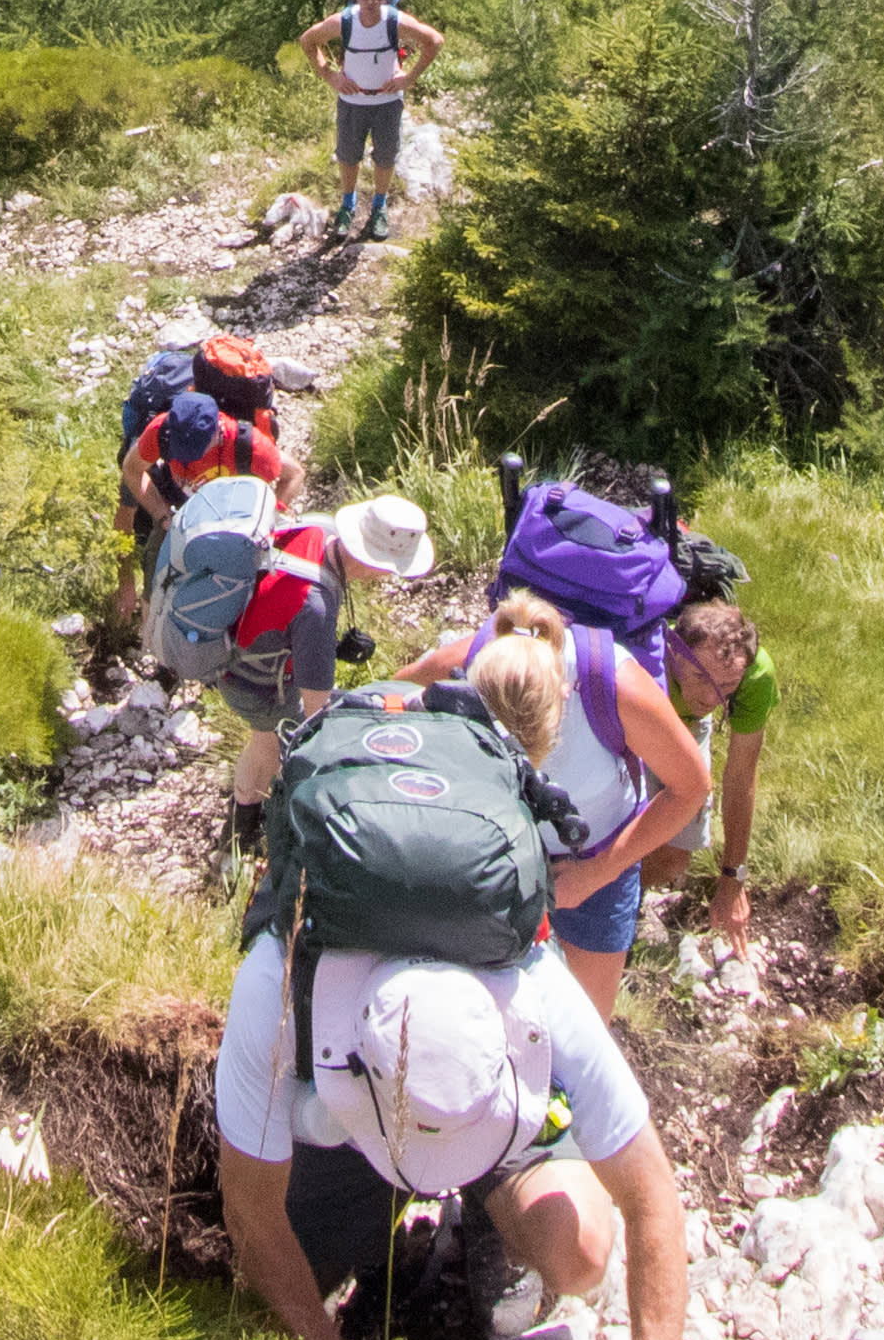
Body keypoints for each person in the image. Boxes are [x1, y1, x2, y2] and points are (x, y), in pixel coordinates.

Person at [213, 925, 699, 1340]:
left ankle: (487, 1224)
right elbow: (251, 1215)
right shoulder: (276, 983)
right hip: (353, 1135)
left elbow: (652, 1191)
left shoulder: (536, 983)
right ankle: (377, 1236)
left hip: (485, 1115)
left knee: (580, 1252)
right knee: (268, 1306)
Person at [413, 591, 710, 1026]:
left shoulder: (616, 686)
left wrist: (599, 872)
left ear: (565, 695)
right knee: (478, 1019)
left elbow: (691, 787)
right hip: (488, 856)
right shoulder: (456, 669)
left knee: (584, 1026)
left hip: (597, 858)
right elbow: (382, 707)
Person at [204, 493, 438, 812]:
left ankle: (245, 817)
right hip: (252, 683)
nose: (388, 576)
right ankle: (241, 830)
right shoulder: (317, 606)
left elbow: (283, 608)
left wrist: (330, 650)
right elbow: (316, 710)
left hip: (237, 648)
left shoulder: (321, 530)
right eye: (391, 568)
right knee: (266, 748)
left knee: (265, 743)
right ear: (373, 561)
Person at [632, 596, 774, 944]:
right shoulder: (646, 652)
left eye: (727, 686)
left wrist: (732, 880)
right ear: (674, 652)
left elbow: (741, 779)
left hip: (688, 725)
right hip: (635, 708)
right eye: (699, 676)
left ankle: (612, 894)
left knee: (674, 858)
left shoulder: (755, 676)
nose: (711, 698)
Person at [292, 0, 442, 241]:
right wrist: (329, 76)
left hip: (387, 103)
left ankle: (379, 207)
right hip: (352, 102)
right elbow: (308, 41)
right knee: (348, 156)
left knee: (385, 157)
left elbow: (434, 40)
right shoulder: (343, 21)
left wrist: (410, 77)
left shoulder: (394, 21)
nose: (373, 2)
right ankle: (348, 206)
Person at [124, 378, 290, 542]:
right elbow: (132, 469)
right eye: (182, 451)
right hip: (182, 510)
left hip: (234, 521)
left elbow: (293, 474)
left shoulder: (251, 445)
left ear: (218, 432)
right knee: (157, 559)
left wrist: (271, 519)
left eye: (197, 450)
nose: (191, 459)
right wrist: (163, 516)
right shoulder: (162, 431)